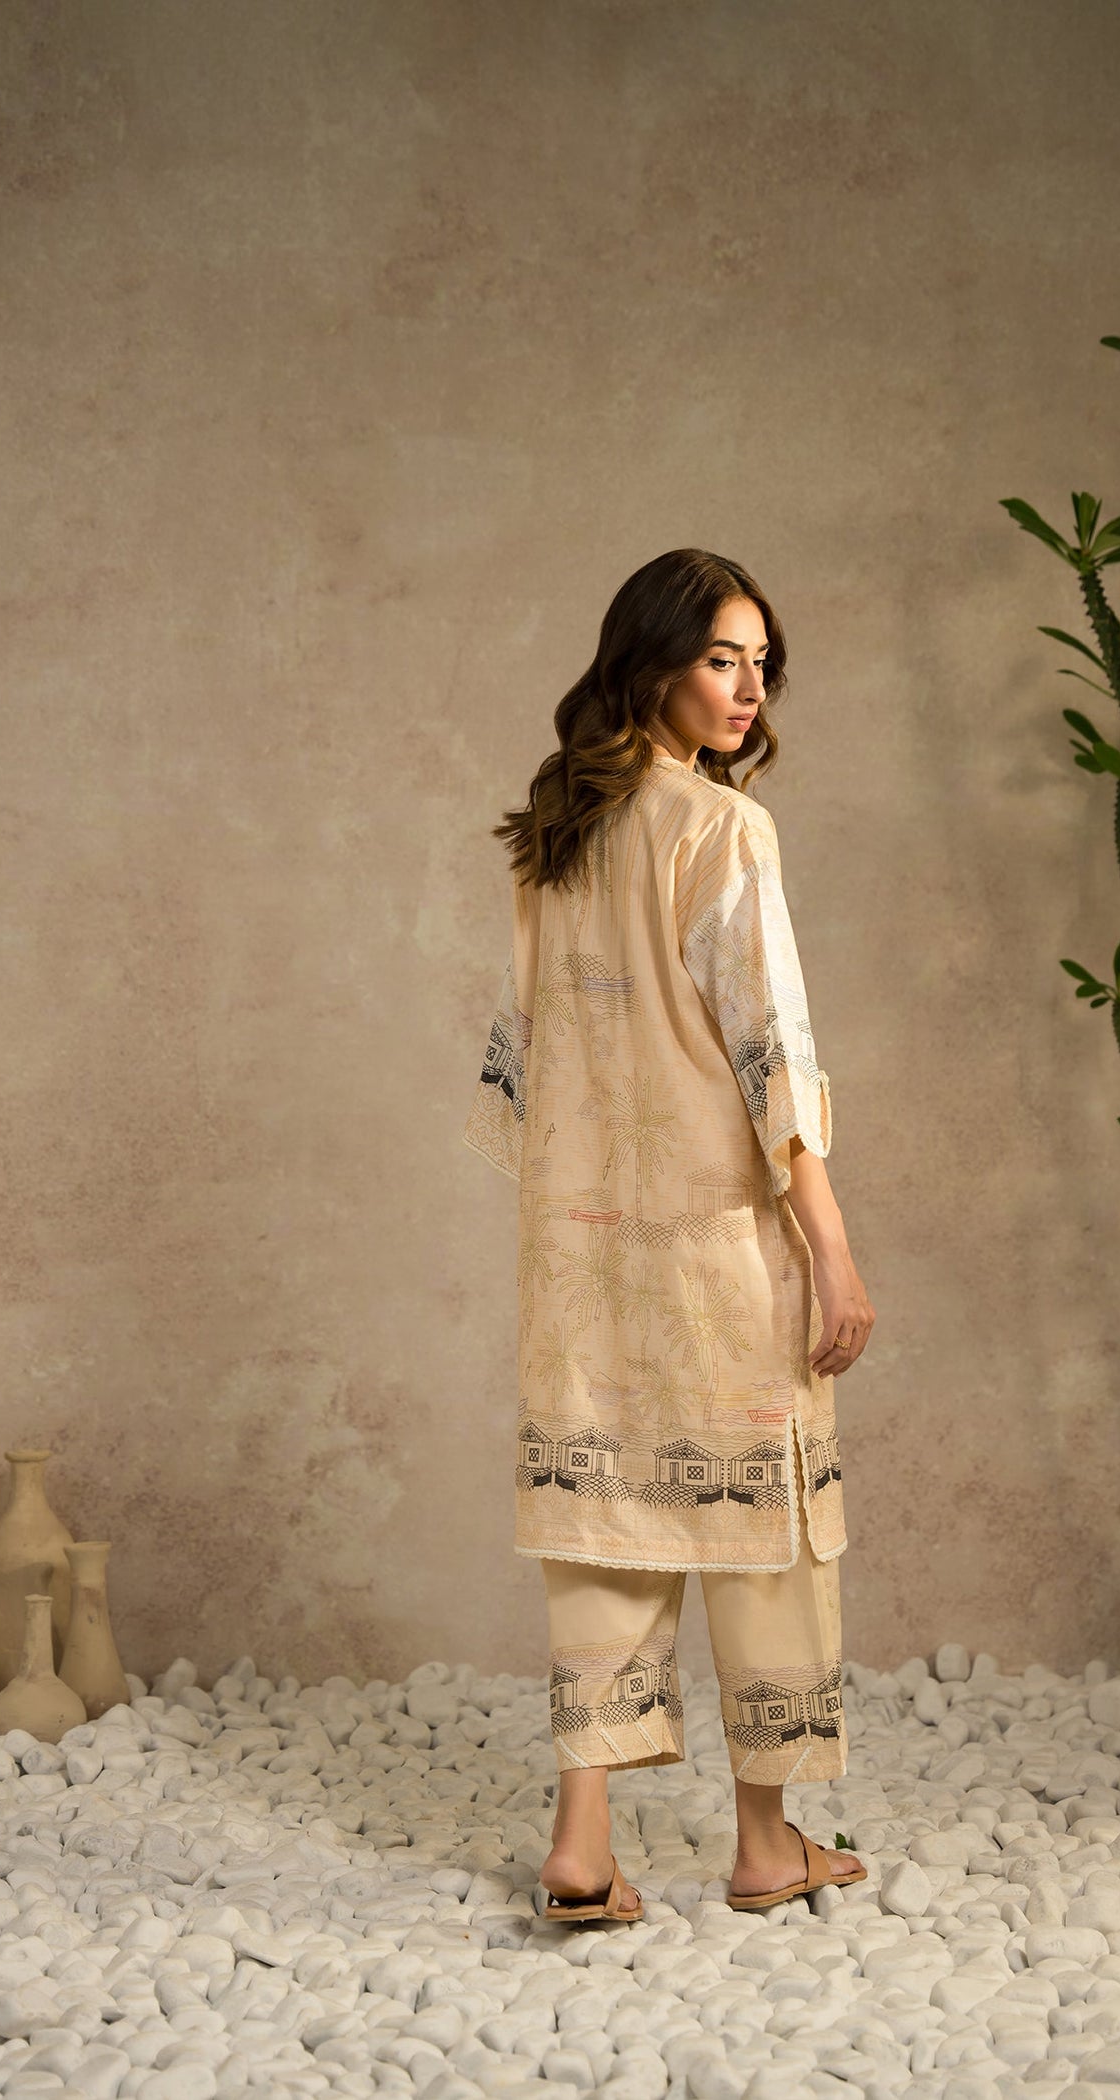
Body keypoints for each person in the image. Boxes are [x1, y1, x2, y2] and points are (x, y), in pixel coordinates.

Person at [463, 548, 876, 1922]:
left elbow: (519, 1056)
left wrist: (575, 1195)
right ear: (651, 664)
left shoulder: (556, 833)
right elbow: (773, 1054)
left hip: (580, 1247)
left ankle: (581, 1848)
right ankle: (765, 1849)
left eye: (761, 663)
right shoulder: (724, 830)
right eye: (719, 659)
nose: (749, 689)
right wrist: (830, 1248)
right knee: (767, 1528)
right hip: (716, 1240)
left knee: (607, 1522)